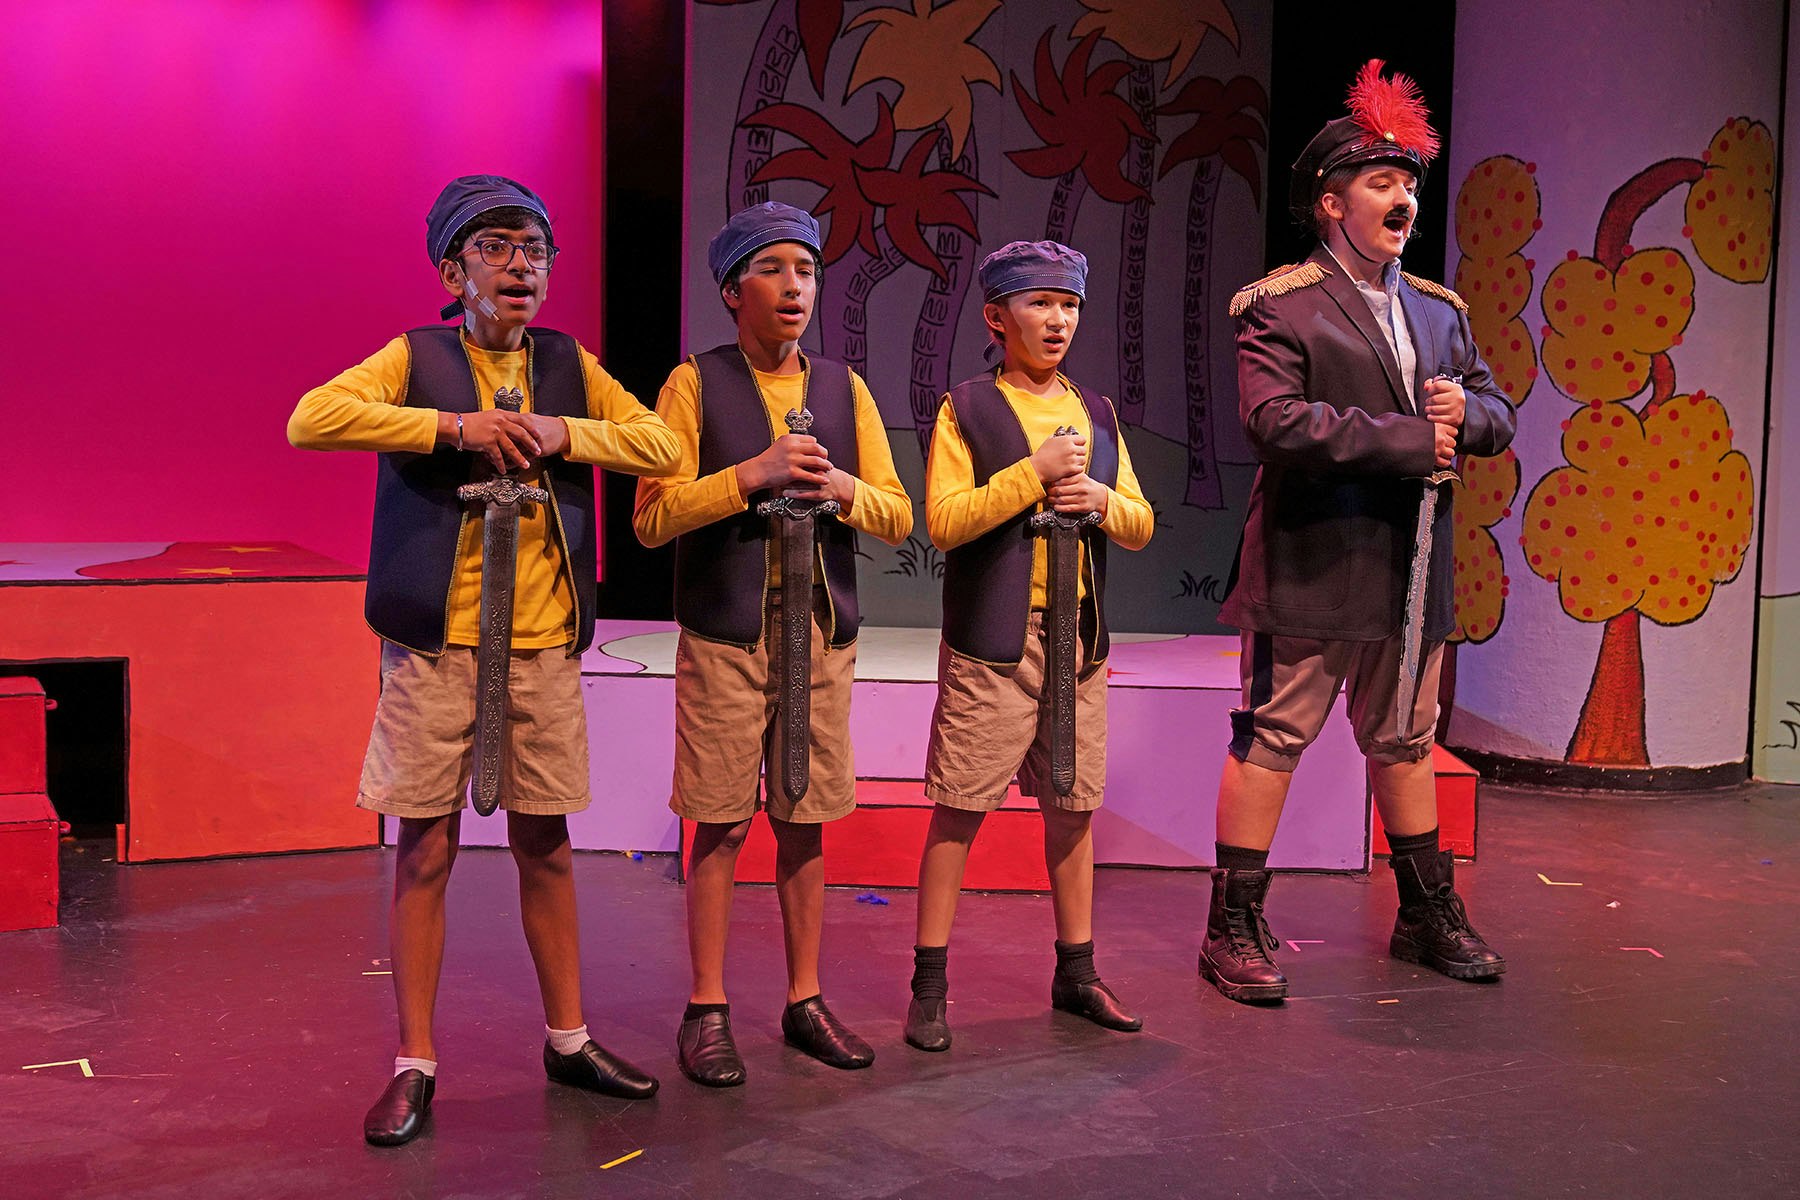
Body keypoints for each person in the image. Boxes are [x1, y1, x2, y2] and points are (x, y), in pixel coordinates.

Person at [288, 175, 680, 1145]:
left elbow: (662, 443)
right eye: (498, 247)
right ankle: (414, 1062)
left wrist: (561, 431)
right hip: (436, 647)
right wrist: (454, 427)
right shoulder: (417, 356)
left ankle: (570, 1037)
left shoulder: (563, 362)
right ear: (452, 267)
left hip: (541, 644)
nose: (521, 266)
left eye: (536, 250)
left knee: (546, 844)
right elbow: (313, 418)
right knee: (424, 848)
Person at [1202, 61, 1517, 1004]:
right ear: (1333, 202)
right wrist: (1415, 437)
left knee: (1406, 738)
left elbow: (1496, 413)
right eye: (1384, 182)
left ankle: (1424, 913)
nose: (1405, 196)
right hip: (1315, 558)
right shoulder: (1281, 306)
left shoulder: (1439, 309)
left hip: (1412, 568)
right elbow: (1275, 423)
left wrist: (1470, 410)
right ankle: (1232, 925)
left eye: (1410, 182)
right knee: (1276, 733)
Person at [633, 202, 912, 1087]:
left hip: (818, 640)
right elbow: (650, 517)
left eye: (808, 270)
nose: (796, 286)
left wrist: (838, 488)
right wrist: (746, 477)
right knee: (718, 819)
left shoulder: (843, 386)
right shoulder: (694, 383)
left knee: (806, 816)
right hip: (727, 636)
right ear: (732, 290)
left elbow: (899, 512)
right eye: (775, 269)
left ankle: (804, 998)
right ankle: (707, 1007)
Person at [903, 240, 1154, 1053]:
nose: (1057, 320)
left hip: (1076, 648)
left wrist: (1101, 498)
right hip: (993, 651)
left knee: (1074, 810)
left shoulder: (1099, 412)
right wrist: (1036, 473)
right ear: (997, 317)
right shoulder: (967, 408)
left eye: (1069, 305)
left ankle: (1076, 971)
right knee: (958, 810)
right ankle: (930, 983)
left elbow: (1143, 525)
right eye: (1040, 304)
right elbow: (944, 521)